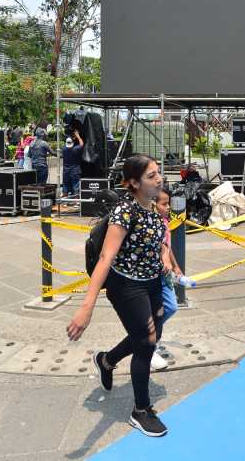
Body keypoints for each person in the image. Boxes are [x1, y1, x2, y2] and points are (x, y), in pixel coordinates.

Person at [67, 155, 170, 437]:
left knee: (152, 334)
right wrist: (87, 307)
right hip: (127, 287)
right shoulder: (125, 211)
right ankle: (140, 410)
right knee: (146, 343)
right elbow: (106, 257)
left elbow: (158, 240)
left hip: (152, 283)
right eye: (151, 176)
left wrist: (165, 259)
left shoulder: (155, 206)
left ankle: (106, 360)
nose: (159, 178)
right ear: (134, 183)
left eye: (158, 173)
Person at [151, 187, 193, 370]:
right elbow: (159, 247)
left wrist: (176, 267)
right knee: (164, 309)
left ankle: (150, 338)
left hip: (166, 275)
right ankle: (149, 344)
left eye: (168, 203)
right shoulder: (152, 224)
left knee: (168, 308)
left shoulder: (165, 223)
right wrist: (165, 261)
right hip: (155, 275)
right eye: (164, 204)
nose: (168, 207)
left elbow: (167, 247)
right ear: (153, 205)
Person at [61, 131, 84, 200]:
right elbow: (82, 144)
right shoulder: (75, 149)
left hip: (66, 171)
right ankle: (76, 201)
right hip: (75, 171)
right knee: (76, 185)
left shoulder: (63, 149)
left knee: (65, 185)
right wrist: (78, 136)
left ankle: (64, 201)